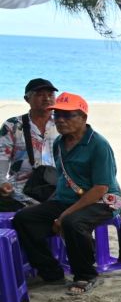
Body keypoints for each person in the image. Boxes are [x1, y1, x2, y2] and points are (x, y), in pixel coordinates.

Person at [13, 93, 121, 294]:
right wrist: (51, 206)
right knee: (24, 218)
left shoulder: (99, 145)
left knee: (72, 222)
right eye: (57, 115)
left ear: (83, 118)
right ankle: (51, 272)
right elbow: (64, 179)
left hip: (103, 201)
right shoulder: (59, 143)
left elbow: (101, 188)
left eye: (68, 115)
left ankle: (85, 275)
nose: (60, 120)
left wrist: (63, 216)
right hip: (68, 199)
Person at [0, 78, 59, 210]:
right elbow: (2, 157)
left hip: (57, 190)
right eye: (40, 94)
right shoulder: (13, 125)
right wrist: (2, 182)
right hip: (20, 191)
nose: (46, 98)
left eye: (50, 95)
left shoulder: (64, 123)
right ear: (27, 99)